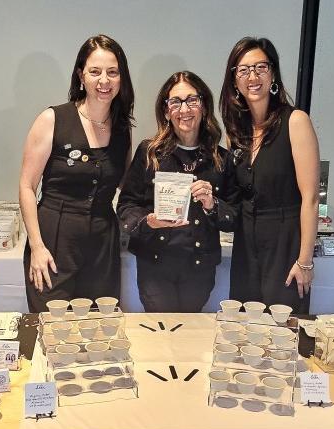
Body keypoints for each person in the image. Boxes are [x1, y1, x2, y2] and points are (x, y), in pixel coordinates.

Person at [19, 35, 134, 312]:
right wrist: (36, 246)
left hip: (103, 246)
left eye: (112, 72)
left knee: (97, 329)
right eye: (95, 72)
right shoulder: (53, 119)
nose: (104, 81)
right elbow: (26, 185)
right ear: (81, 76)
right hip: (54, 242)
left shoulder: (121, 128)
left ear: (121, 78)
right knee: (51, 327)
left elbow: (127, 184)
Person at [117, 72, 237, 312]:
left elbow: (235, 216)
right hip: (155, 264)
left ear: (204, 106)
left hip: (199, 266)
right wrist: (148, 221)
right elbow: (126, 205)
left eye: (192, 100)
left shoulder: (221, 159)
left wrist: (213, 204)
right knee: (161, 334)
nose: (184, 109)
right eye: (176, 102)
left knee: (190, 334)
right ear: (166, 110)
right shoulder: (150, 152)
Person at [220, 37, 320, 313]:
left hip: (285, 244)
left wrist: (305, 261)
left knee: (281, 335)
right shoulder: (236, 132)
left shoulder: (296, 121)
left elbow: (310, 198)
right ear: (235, 80)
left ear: (273, 73)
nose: (252, 76)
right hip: (246, 247)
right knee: (242, 333)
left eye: (260, 67)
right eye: (243, 70)